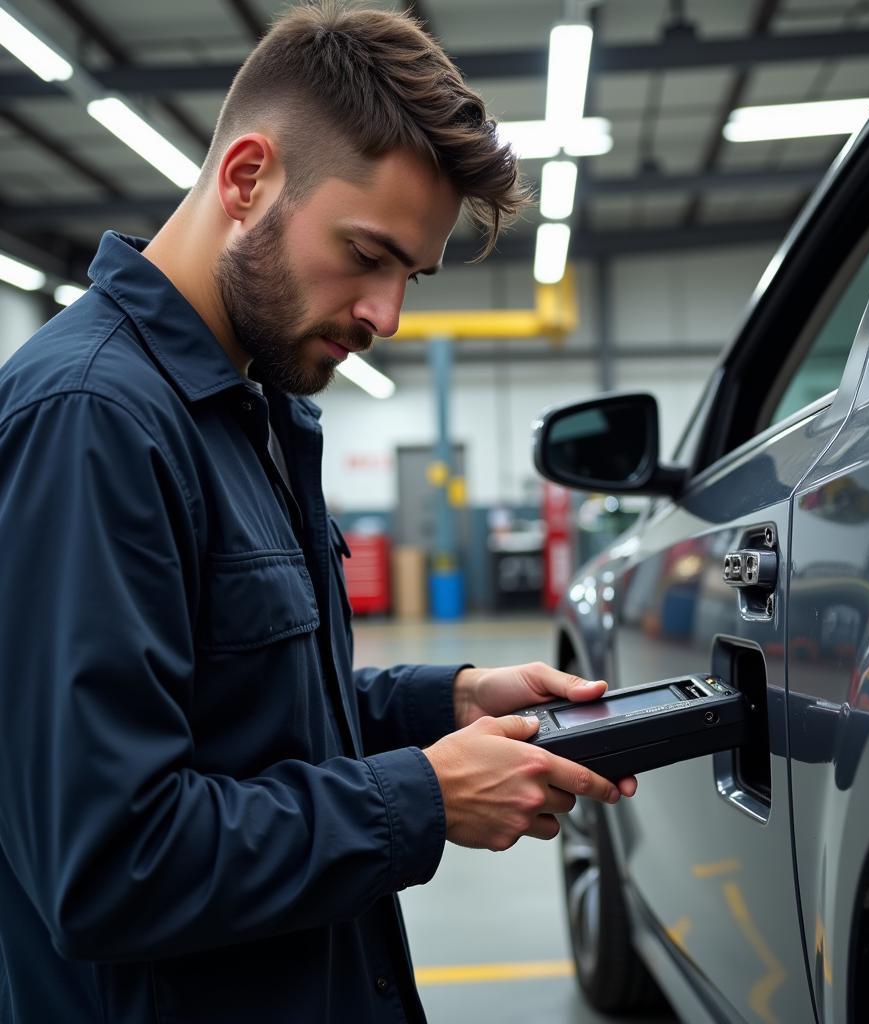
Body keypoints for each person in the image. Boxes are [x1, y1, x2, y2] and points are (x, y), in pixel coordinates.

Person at [0, 4, 637, 1022]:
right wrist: (421, 798)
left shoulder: (256, 410)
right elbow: (108, 860)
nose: (387, 315)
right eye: (367, 253)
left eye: (409, 277)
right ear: (247, 179)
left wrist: (447, 701)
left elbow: (236, 710)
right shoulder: (94, 421)